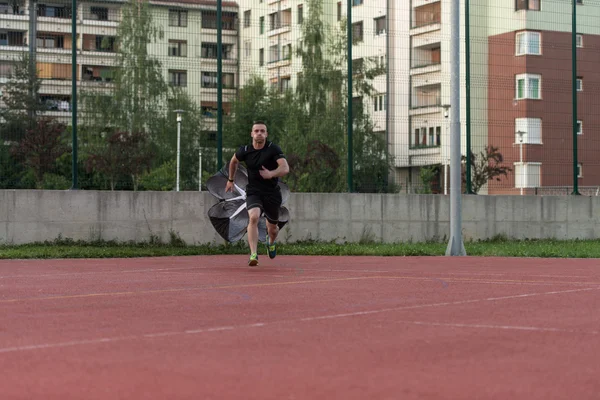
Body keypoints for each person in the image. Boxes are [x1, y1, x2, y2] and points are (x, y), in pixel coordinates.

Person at [225, 121, 290, 266]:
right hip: (254, 191)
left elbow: (285, 168)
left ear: (266, 134)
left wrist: (271, 174)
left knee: (272, 229)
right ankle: (253, 254)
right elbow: (233, 161)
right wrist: (230, 179)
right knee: (253, 217)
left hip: (272, 193)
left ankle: (270, 242)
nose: (259, 133)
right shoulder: (245, 150)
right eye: (256, 131)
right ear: (252, 134)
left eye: (262, 131)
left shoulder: (273, 149)